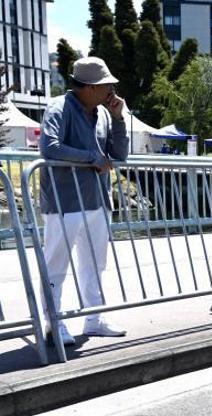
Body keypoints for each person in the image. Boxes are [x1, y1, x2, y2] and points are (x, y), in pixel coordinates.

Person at [38, 56, 129, 345]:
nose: (112, 89)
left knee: (95, 263)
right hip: (64, 202)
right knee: (56, 265)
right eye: (106, 85)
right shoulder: (59, 108)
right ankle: (55, 323)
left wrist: (118, 119)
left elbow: (120, 155)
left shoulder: (103, 113)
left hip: (97, 201)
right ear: (89, 87)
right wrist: (92, 158)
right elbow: (49, 147)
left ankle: (95, 318)